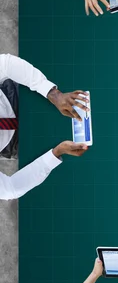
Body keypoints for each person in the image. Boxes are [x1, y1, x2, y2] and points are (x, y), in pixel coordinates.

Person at [0, 54, 88, 200]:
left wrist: (52, 93)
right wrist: (56, 153)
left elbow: (4, 64)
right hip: (24, 144)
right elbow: (10, 189)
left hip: (23, 96)